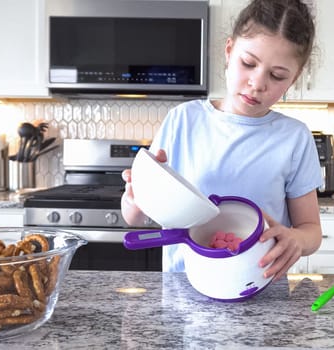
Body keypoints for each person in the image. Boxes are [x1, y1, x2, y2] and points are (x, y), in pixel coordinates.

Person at [121, 0, 322, 281]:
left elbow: (311, 229)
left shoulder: (295, 137)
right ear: (229, 52)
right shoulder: (183, 120)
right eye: (248, 63)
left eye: (277, 76)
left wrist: (297, 240)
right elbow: (135, 219)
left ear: (294, 79)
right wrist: (135, 200)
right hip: (187, 288)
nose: (257, 83)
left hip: (260, 290)